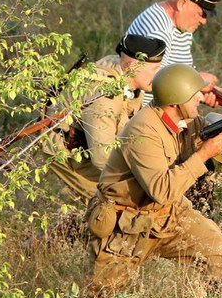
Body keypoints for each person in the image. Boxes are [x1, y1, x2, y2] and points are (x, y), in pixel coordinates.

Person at [76, 64, 222, 298]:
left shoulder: (188, 121)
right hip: (125, 225)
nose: (200, 98)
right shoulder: (143, 131)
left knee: (216, 252)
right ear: (175, 101)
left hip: (168, 215)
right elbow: (161, 189)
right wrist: (206, 153)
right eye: (194, 94)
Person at [44, 34, 166, 202]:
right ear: (132, 65)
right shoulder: (104, 96)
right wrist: (143, 173)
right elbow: (103, 158)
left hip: (91, 142)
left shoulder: (125, 73)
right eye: (154, 69)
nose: (158, 74)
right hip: (68, 150)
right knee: (116, 200)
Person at [126, 0, 222, 106]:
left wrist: (201, 91)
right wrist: (196, 81)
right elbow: (153, 82)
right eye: (201, 14)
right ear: (181, 4)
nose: (203, 21)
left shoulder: (182, 24)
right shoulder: (158, 30)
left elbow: (176, 73)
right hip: (144, 114)